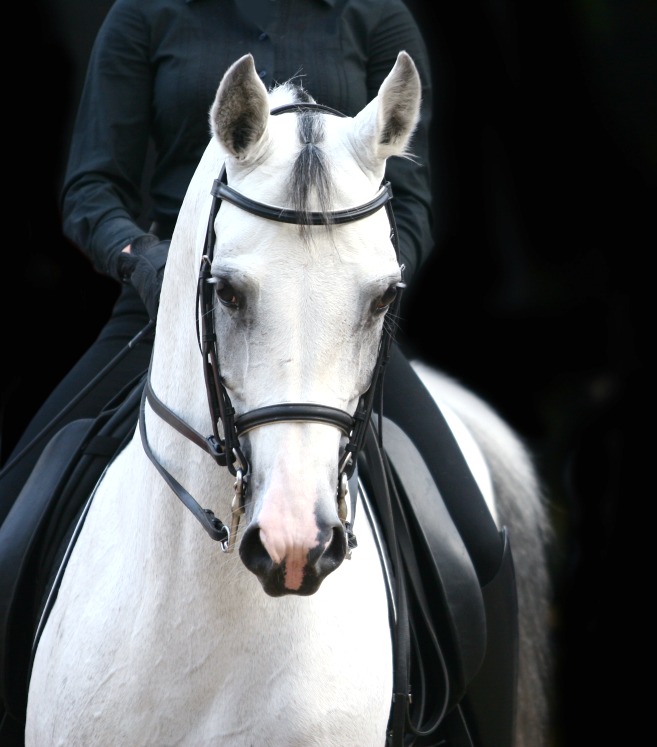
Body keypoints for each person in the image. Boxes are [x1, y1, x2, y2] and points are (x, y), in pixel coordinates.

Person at [0, 0, 502, 583]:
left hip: (337, 326)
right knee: (13, 517)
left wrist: (361, 298)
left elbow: (410, 206)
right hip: (170, 305)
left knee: (478, 544)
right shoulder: (144, 15)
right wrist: (156, 266)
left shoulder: (375, 17)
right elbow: (92, 190)